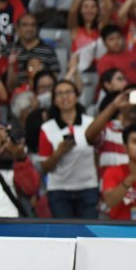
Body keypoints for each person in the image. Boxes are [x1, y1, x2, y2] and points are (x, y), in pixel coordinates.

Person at [36, 78, 99, 218]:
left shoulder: (90, 123)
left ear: (77, 97)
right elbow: (45, 167)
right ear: (54, 100)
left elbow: (97, 155)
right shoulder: (47, 128)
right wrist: (59, 152)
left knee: (88, 233)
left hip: (88, 187)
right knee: (63, 234)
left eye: (69, 92)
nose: (65, 96)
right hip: (59, 189)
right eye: (59, 93)